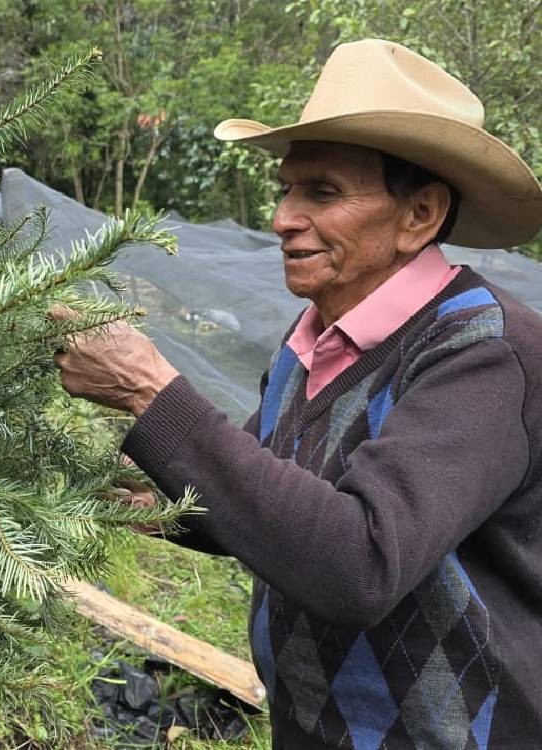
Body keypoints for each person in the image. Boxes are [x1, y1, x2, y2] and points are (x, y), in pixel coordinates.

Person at [54, 39, 542, 748]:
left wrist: (150, 392)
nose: (283, 217)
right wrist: (153, 501)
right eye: (287, 188)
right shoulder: (316, 333)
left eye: (323, 192)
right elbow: (276, 492)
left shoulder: (484, 353)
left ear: (420, 214)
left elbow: (359, 564)